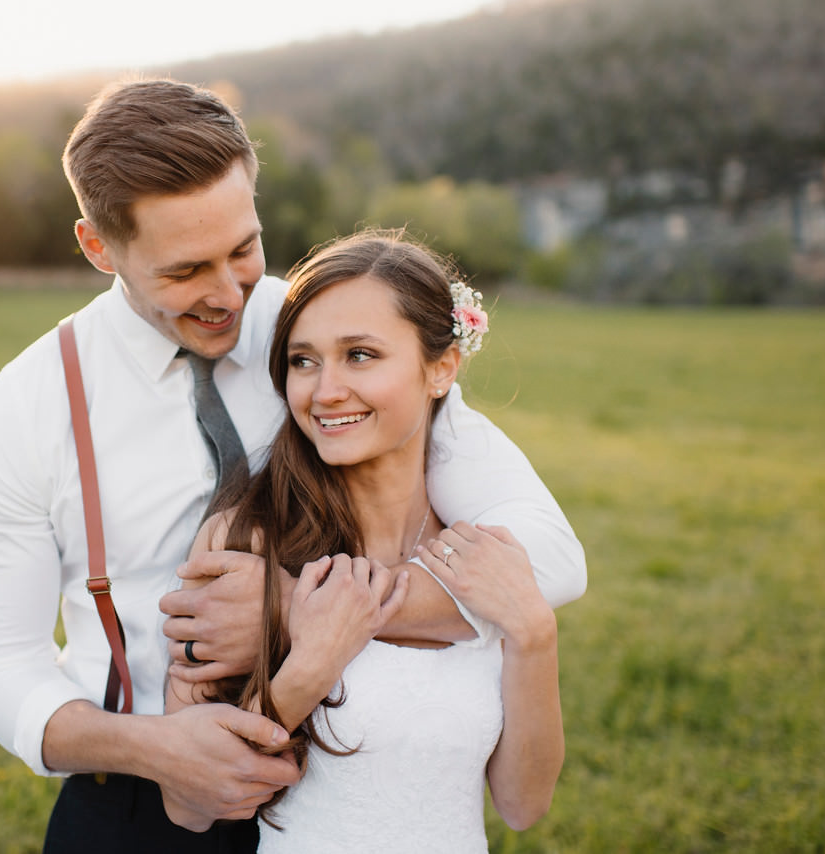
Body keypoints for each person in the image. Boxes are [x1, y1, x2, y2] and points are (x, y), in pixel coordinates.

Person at [0, 78, 585, 853]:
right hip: (141, 806)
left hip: (343, 787)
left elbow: (549, 559)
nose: (228, 296)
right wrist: (154, 748)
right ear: (97, 247)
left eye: (243, 249)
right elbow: (6, 670)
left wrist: (287, 610)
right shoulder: (20, 412)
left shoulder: (330, 330)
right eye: (185, 271)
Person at [166, 229, 566, 853]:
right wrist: (313, 659)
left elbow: (522, 803)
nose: (324, 391)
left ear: (441, 368)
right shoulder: (243, 541)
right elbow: (188, 805)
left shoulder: (478, 557)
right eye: (303, 360)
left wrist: (536, 637)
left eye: (360, 355)